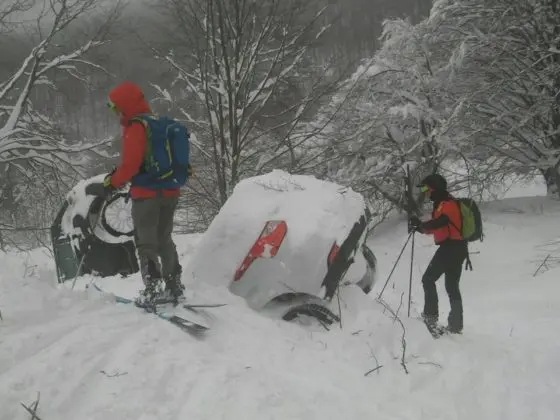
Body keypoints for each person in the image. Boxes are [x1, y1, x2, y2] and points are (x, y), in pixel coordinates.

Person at [101, 81, 185, 306]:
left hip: (147, 195)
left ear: (125, 105)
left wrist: (112, 182)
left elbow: (130, 166)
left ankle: (153, 289)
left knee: (146, 243)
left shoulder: (135, 127)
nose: (115, 112)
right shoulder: (158, 124)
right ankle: (174, 285)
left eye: (115, 107)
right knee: (164, 239)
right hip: (171, 192)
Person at [408, 173, 467, 334]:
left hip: (451, 248)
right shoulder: (444, 202)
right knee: (452, 286)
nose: (426, 192)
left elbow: (442, 222)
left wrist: (422, 225)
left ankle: (430, 319)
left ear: (435, 188)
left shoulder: (447, 203)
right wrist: (421, 228)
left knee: (428, 279)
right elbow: (439, 226)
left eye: (427, 188)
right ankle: (455, 325)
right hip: (458, 248)